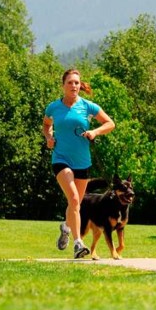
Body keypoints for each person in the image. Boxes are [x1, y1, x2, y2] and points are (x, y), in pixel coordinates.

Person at [42, 68, 115, 259]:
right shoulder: (53, 108)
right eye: (70, 82)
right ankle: (78, 244)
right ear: (63, 85)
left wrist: (95, 132)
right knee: (74, 199)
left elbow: (110, 123)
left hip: (83, 162)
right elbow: (46, 124)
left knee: (75, 204)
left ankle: (66, 227)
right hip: (61, 159)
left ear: (79, 85)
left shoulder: (88, 106)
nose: (73, 85)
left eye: (76, 82)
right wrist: (49, 137)